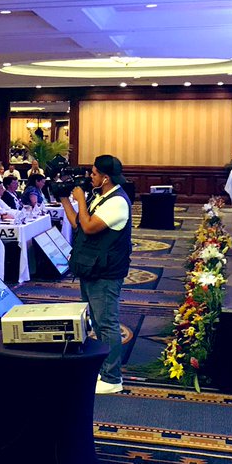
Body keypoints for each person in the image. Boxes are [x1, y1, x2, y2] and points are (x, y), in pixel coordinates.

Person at [61, 154, 132, 395]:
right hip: (91, 267)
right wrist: (64, 199)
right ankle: (104, 369)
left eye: (93, 174)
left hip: (106, 272)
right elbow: (77, 224)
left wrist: (80, 199)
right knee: (98, 323)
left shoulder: (117, 202)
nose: (89, 177)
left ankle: (113, 378)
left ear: (106, 177)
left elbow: (90, 227)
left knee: (107, 323)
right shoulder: (100, 196)